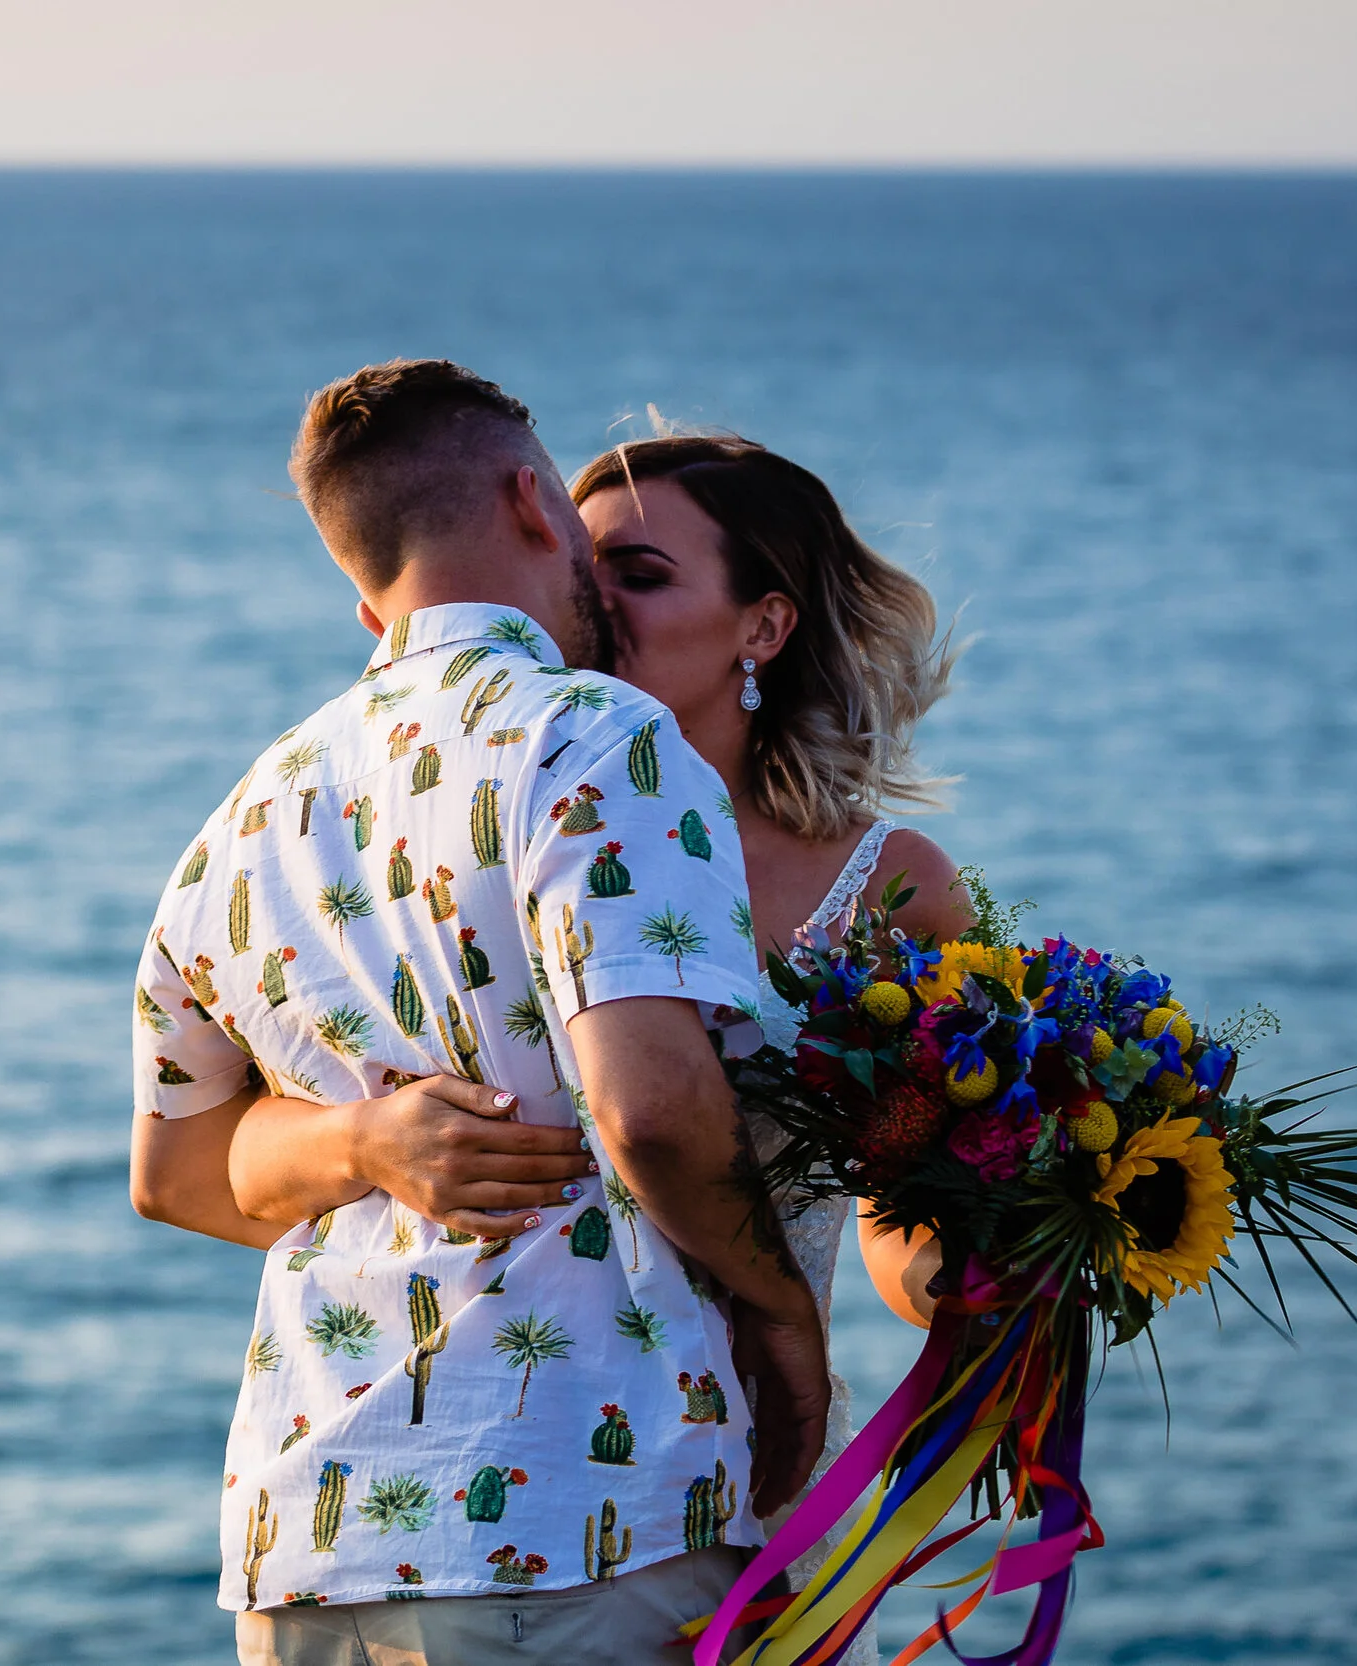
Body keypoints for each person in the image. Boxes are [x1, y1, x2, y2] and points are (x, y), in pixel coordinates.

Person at [200, 431, 969, 1665]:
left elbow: (895, 1214)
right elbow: (197, 1156)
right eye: (582, 554)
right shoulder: (452, 816)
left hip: (733, 1470)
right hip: (474, 1508)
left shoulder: (885, 892)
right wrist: (363, 1140)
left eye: (644, 573)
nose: (591, 595)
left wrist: (998, 1277)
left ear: (762, 627)